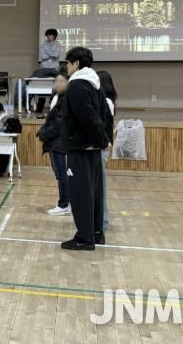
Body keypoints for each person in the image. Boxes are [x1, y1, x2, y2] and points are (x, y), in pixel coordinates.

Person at [61, 47, 110, 250]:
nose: (66, 66)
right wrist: (103, 140)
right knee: (95, 194)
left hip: (80, 149)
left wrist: (101, 140)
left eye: (68, 62)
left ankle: (84, 238)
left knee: (81, 194)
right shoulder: (95, 83)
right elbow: (106, 115)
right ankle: (96, 233)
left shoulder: (77, 85)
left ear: (76, 63)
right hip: (93, 149)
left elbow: (87, 118)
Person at [38, 72, 71, 216]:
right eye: (56, 81)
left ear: (68, 83)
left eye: (60, 81)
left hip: (59, 141)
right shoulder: (56, 97)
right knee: (60, 174)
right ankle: (66, 202)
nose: (57, 83)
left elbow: (59, 123)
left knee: (62, 174)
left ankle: (64, 204)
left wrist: (44, 134)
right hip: (54, 141)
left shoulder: (65, 99)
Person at [97, 70, 117, 232]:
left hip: (102, 147)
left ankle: (103, 221)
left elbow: (105, 125)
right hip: (101, 146)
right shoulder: (103, 101)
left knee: (100, 186)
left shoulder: (107, 102)